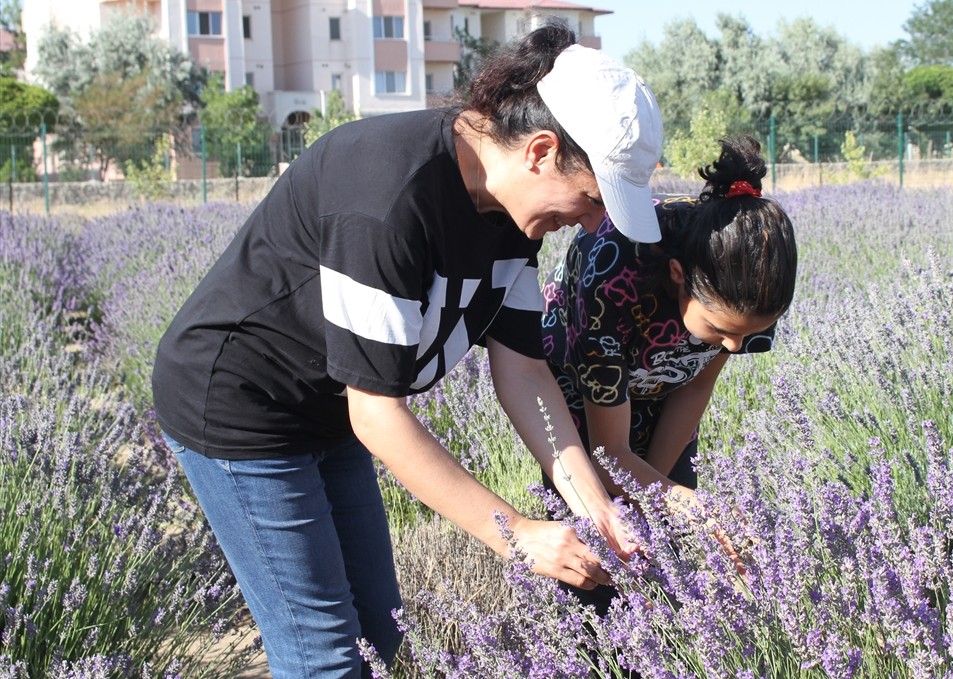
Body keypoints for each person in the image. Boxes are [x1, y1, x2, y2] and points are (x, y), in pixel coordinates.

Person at [150, 20, 663, 678]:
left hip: (328, 409)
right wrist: (518, 535)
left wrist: (599, 508)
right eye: (592, 199)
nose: (594, 224)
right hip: (239, 405)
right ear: (539, 151)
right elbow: (378, 415)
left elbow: (526, 371)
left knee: (377, 631)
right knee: (325, 656)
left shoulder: (513, 214)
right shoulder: (390, 197)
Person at [540, 135, 797, 615]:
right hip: (580, 387)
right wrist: (671, 500)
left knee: (669, 548)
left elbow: (696, 383)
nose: (734, 347)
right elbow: (607, 450)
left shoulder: (754, 285)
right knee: (595, 554)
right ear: (678, 275)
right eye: (720, 330)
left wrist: (661, 497)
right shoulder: (615, 269)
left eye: (747, 336)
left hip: (663, 388)